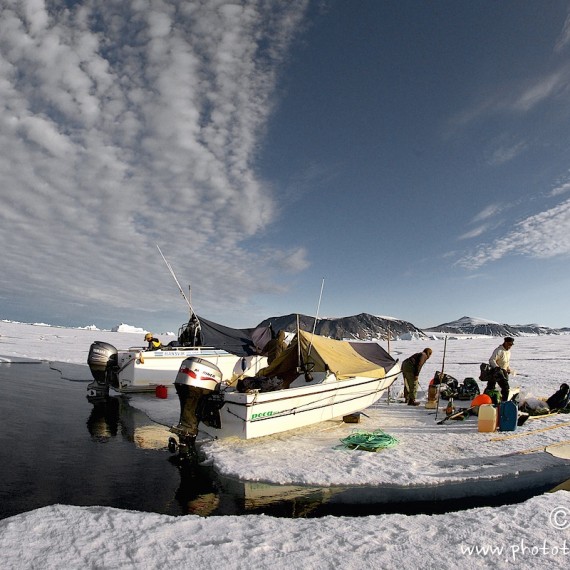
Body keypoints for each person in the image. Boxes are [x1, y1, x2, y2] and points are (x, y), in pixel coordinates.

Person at [486, 336, 514, 402]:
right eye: (509, 344)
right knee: (505, 388)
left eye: (511, 345)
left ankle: (491, 400)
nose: (510, 346)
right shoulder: (499, 350)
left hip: (503, 371)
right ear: (505, 343)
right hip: (496, 372)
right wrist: (496, 367)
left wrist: (508, 368)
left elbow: (506, 362)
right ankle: (504, 403)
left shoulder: (508, 352)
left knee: (490, 387)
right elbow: (492, 360)